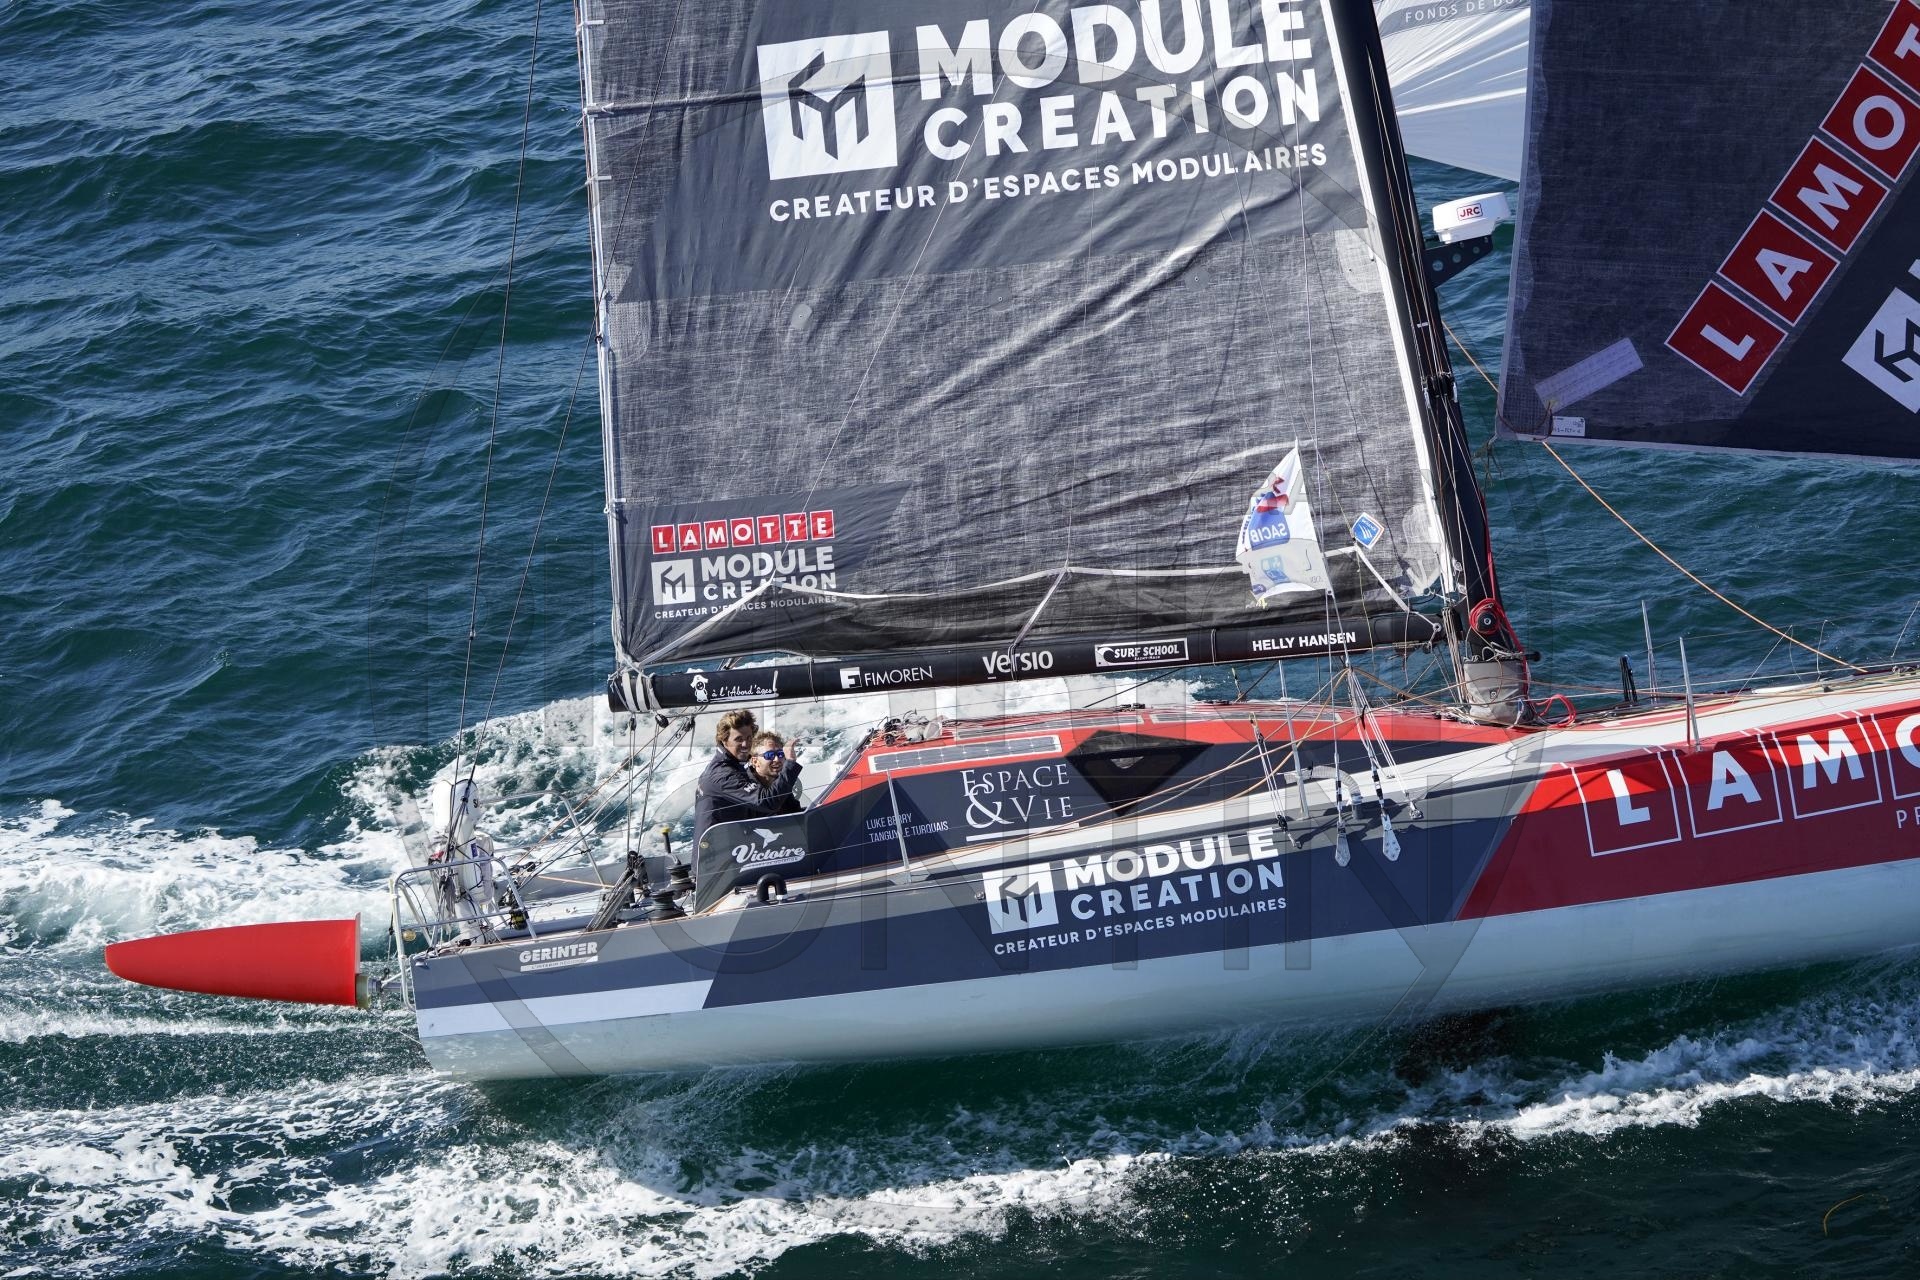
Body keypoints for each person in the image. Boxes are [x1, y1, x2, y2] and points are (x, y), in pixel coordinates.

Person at [691, 710, 803, 848]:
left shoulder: (734, 764)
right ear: (724, 740)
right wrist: (790, 763)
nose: (746, 744)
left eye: (749, 738)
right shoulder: (722, 774)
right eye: (738, 739)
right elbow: (767, 802)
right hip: (716, 857)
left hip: (735, 849)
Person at [748, 731, 805, 815]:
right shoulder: (744, 783)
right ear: (755, 761)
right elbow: (767, 804)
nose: (777, 759)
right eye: (769, 755)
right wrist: (790, 762)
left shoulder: (778, 781)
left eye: (780, 754)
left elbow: (795, 812)